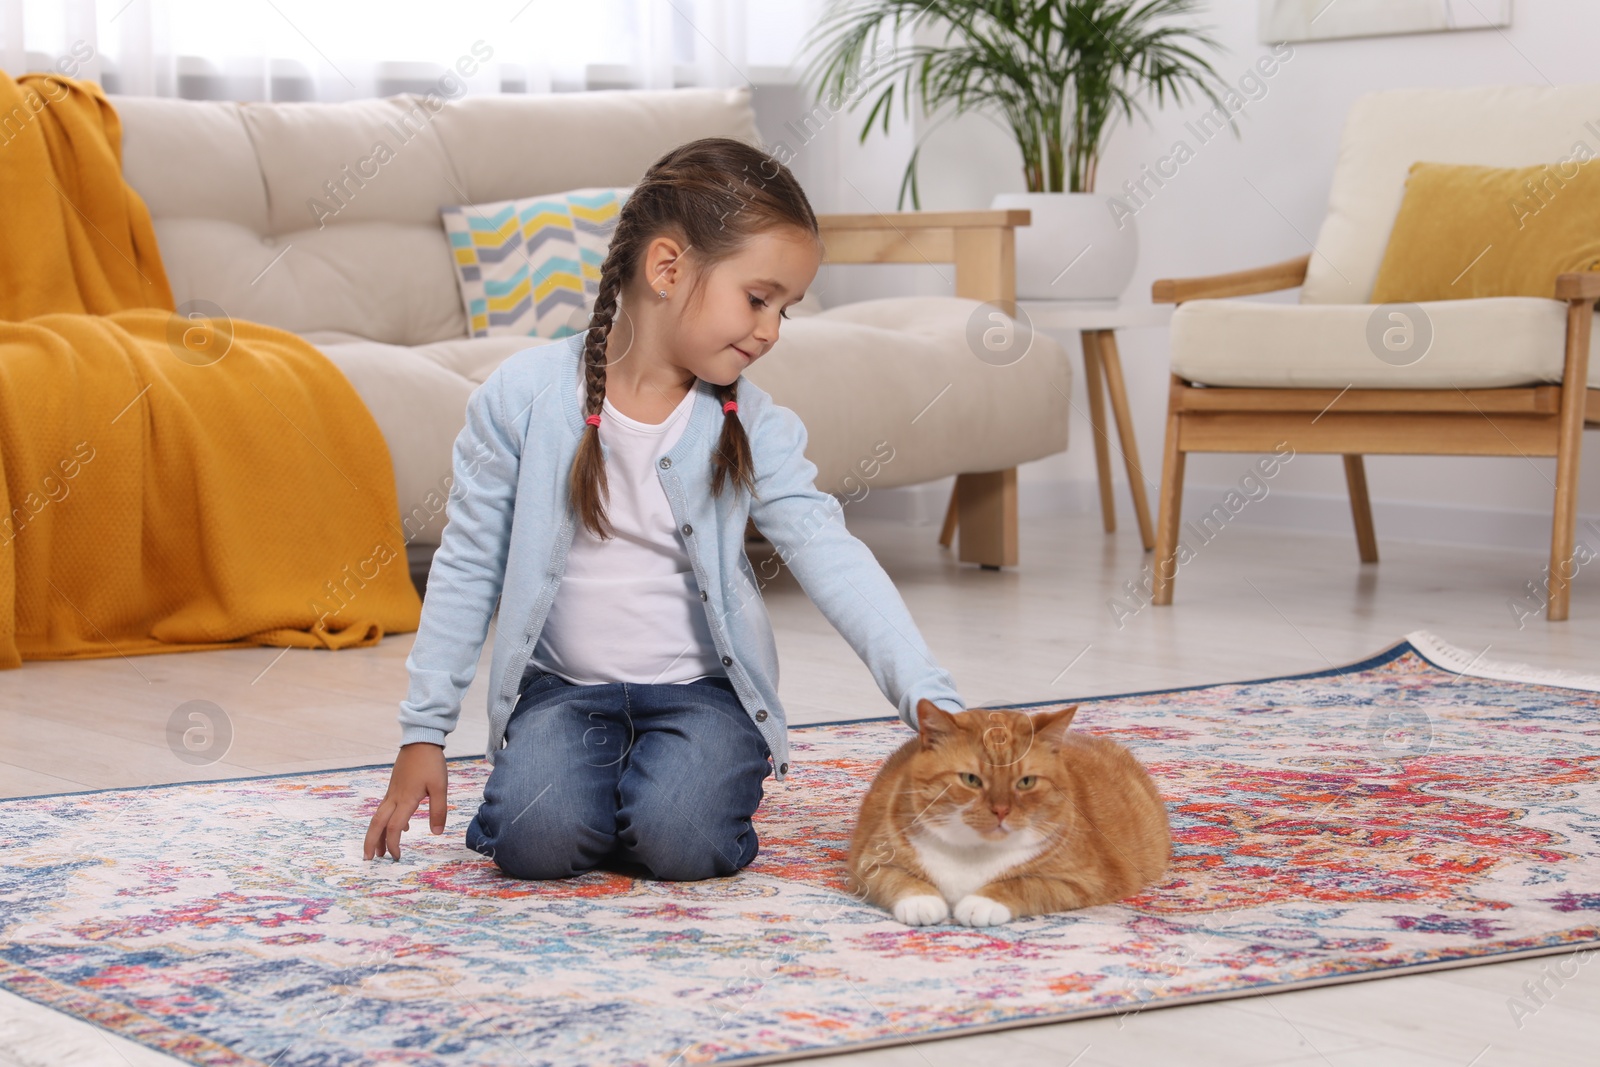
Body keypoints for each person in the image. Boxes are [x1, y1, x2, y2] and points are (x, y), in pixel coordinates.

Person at [361, 136, 966, 880]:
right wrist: (424, 732)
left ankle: (666, 788)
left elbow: (830, 554)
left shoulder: (754, 422)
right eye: (758, 298)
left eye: (786, 308)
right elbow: (466, 567)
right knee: (535, 843)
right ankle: (602, 788)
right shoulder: (519, 400)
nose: (773, 329)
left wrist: (932, 701)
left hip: (703, 697)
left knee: (680, 840)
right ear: (667, 268)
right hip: (563, 694)